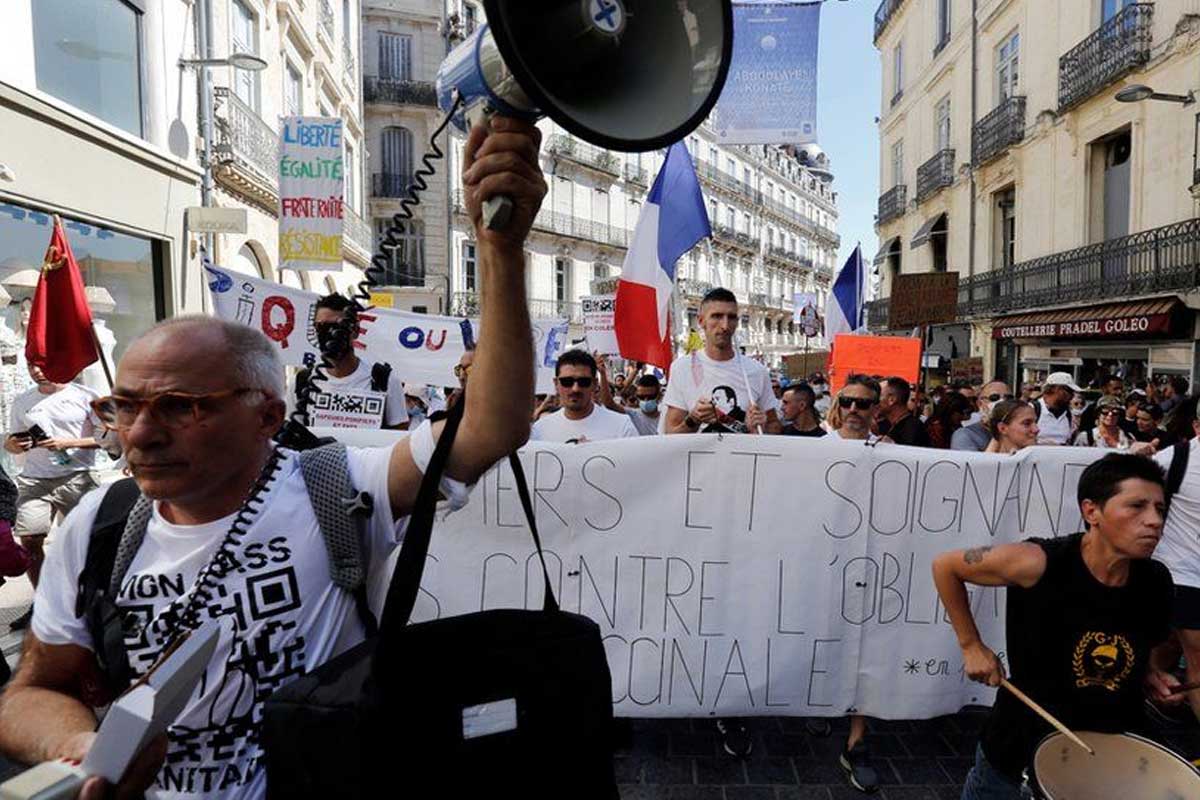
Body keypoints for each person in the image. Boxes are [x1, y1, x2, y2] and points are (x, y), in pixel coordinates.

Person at [0, 114, 547, 800]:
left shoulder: (336, 484)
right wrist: (77, 744)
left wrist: (501, 250)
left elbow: (488, 429)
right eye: (125, 406)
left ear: (268, 416)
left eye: (180, 406)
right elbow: (31, 690)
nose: (139, 434)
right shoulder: (96, 527)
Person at [932, 454, 1180, 799]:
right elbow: (946, 566)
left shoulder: (1156, 580)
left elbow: (1142, 650)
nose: (1154, 521)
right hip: (1020, 743)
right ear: (1091, 511)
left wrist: (1151, 675)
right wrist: (971, 645)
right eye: (1137, 506)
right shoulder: (1038, 562)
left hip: (1109, 747)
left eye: (1160, 509)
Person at [3, 365, 110, 630]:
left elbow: (108, 437)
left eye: (42, 364)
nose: (37, 371)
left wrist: (68, 443)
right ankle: (42, 603)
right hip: (34, 479)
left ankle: (87, 598)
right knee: (29, 540)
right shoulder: (23, 400)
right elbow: (10, 441)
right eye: (31, 366)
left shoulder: (86, 395)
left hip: (78, 476)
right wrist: (16, 445)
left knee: (85, 541)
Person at [824, 375, 884, 792]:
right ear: (837, 404)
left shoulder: (895, 453)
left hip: (872, 564)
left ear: (876, 410)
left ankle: (857, 741)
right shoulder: (813, 449)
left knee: (865, 645)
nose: (854, 410)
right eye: (848, 402)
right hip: (823, 563)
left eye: (864, 404)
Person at [663, 288, 781, 435]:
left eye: (731, 317)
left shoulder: (757, 371)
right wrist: (693, 419)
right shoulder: (682, 368)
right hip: (699, 457)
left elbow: (774, 425)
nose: (725, 325)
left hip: (743, 457)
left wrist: (760, 428)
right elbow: (670, 434)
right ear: (701, 321)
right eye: (717, 316)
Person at [294, 294, 409, 430]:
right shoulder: (303, 382)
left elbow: (399, 433)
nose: (330, 333)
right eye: (321, 326)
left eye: (337, 326)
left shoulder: (384, 380)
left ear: (355, 330)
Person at [1152, 399, 1200, 725]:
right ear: (1197, 427)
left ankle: (1153, 686)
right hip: (1182, 572)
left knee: (1169, 643)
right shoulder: (1174, 459)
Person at [531, 350, 638, 443]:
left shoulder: (622, 427)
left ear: (595, 384)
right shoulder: (539, 431)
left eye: (584, 382)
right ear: (556, 383)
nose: (575, 389)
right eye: (567, 382)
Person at [1072, 395, 1148, 453]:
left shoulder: (1129, 437)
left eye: (1115, 412)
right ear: (1098, 414)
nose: (1110, 415)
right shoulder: (1086, 437)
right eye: (1105, 412)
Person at [952, 381, 1012, 452]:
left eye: (1009, 398)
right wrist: (997, 431)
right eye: (994, 398)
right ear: (980, 404)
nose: (1003, 401)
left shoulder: (1018, 431)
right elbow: (976, 463)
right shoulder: (964, 435)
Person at [876, 377, 930, 447]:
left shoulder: (911, 429)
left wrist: (893, 447)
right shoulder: (889, 424)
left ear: (891, 400)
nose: (874, 401)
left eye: (878, 396)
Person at [1033, 372, 1079, 445]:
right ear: (1056, 389)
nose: (1072, 395)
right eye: (1069, 391)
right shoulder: (1033, 409)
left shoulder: (1069, 415)